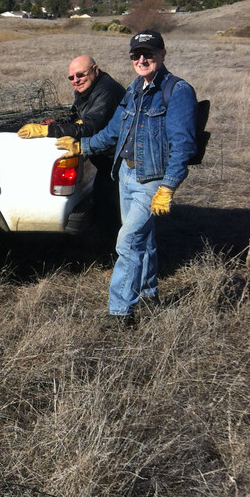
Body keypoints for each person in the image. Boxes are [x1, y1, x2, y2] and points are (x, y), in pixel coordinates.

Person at [56, 30, 198, 325]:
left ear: (162, 54)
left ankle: (120, 311)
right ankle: (148, 294)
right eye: (136, 55)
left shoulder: (178, 91)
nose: (142, 59)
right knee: (143, 241)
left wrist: (168, 186)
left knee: (128, 241)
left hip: (151, 179)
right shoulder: (135, 88)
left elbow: (183, 144)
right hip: (126, 174)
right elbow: (113, 132)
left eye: (148, 53)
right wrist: (83, 147)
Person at [18, 55, 124, 242]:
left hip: (118, 162)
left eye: (80, 75)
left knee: (112, 209)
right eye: (71, 77)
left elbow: (90, 127)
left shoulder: (106, 91)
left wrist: (46, 130)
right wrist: (64, 122)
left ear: (95, 70)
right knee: (104, 202)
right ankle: (112, 249)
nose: (76, 80)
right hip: (105, 160)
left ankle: (116, 255)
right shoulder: (86, 89)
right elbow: (78, 115)